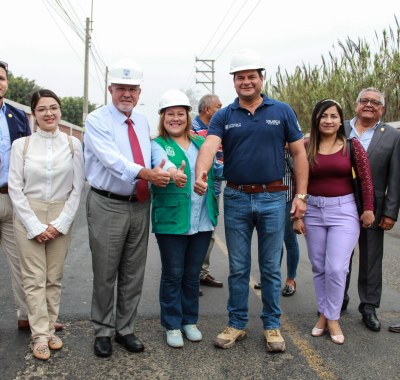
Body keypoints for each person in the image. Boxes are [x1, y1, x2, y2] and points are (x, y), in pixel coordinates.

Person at [195, 48, 308, 352]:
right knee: (239, 267)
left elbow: (299, 153)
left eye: (251, 77)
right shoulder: (223, 115)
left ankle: (272, 326)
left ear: (261, 78)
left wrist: (300, 195)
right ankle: (237, 324)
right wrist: (202, 172)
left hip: (274, 198)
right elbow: (209, 145)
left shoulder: (282, 111)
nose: (246, 82)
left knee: (271, 268)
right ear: (233, 82)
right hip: (236, 198)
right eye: (240, 77)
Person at [84, 59, 175, 358]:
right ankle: (103, 331)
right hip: (107, 204)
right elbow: (112, 160)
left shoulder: (142, 120)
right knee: (106, 272)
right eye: (121, 88)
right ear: (110, 89)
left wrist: (167, 169)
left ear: (139, 93)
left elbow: (150, 154)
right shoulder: (97, 120)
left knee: (133, 272)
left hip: (139, 203)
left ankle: (125, 329)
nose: (127, 94)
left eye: (132, 89)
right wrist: (148, 174)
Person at [8, 89, 85, 360]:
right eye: (42, 109)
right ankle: (39, 334)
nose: (49, 113)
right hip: (29, 212)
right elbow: (16, 189)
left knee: (54, 278)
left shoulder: (74, 144)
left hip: (61, 214)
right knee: (34, 278)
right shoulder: (22, 145)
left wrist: (60, 222)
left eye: (53, 107)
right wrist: (34, 225)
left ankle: (51, 328)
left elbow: (77, 189)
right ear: (34, 114)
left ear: (60, 111)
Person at [294, 99, 374, 344]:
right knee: (319, 267)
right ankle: (324, 316)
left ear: (341, 120)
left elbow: (366, 179)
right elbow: (298, 181)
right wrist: (298, 215)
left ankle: (332, 318)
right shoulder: (306, 147)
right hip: (313, 211)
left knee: (337, 267)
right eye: (323, 116)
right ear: (316, 120)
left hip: (344, 211)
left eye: (333, 116)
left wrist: (369, 209)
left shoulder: (352, 146)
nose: (328, 120)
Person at [151, 89, 223, 348]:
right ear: (163, 117)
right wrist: (172, 174)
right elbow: (161, 166)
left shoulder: (201, 144)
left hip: (203, 219)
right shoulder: (156, 144)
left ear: (188, 116)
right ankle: (171, 324)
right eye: (170, 114)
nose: (176, 119)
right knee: (172, 274)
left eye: (180, 114)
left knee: (192, 275)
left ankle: (189, 321)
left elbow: (216, 169)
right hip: (172, 220)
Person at [0, 62, 64, 333]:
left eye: (1, 78)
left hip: (11, 198)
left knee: (23, 266)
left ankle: (31, 316)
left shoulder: (16, 115)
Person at [342, 87, 400, 331]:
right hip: (340, 202)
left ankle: (368, 307)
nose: (369, 105)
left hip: (374, 207)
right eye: (364, 101)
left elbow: (396, 177)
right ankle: (336, 300)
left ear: (382, 109)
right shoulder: (339, 127)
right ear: (355, 105)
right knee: (339, 256)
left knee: (371, 258)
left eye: (375, 103)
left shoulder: (392, 136)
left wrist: (389, 212)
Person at [254, 144, 300, 297]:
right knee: (272, 240)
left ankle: (290, 280)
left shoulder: (291, 146)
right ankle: (271, 278)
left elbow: (299, 170)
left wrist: (286, 149)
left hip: (287, 197)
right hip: (267, 197)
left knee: (289, 238)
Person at [191, 94, 223, 290]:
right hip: (195, 189)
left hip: (214, 189)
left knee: (208, 232)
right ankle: (190, 276)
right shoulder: (191, 129)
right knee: (192, 229)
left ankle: (202, 273)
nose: (222, 109)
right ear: (207, 110)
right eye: (219, 106)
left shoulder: (217, 129)